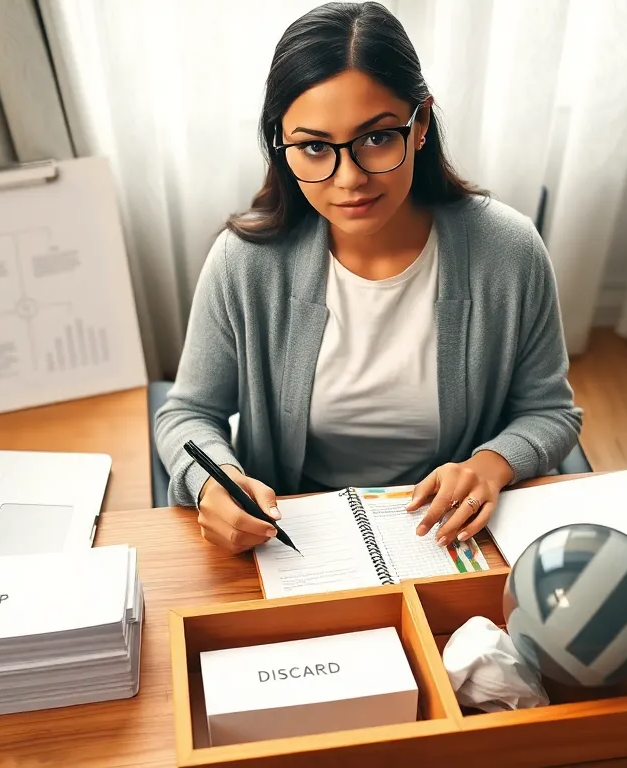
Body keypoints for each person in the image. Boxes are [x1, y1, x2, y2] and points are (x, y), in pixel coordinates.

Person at [154, 1, 582, 555]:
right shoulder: (245, 261)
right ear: (281, 146)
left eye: (377, 138)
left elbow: (549, 412)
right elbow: (187, 413)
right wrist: (215, 481)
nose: (350, 178)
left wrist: (493, 463)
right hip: (288, 538)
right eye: (313, 147)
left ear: (420, 123)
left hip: (445, 532)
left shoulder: (508, 250)